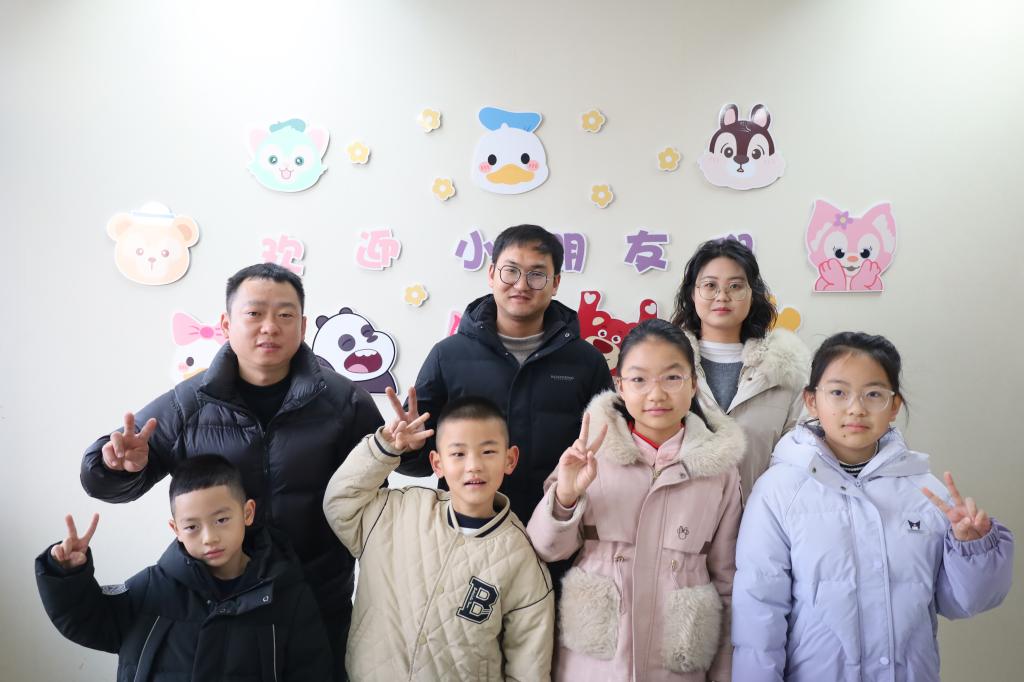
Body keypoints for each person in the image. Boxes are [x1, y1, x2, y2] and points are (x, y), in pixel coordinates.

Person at [78, 263, 383, 679]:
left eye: (285, 315)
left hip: (317, 598)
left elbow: (374, 495)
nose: (269, 327)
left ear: (302, 326)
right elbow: (103, 477)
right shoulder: (188, 404)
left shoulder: (345, 403)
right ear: (226, 323)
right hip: (219, 605)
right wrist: (116, 467)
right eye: (254, 313)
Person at [732, 332, 1015, 681]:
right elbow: (759, 615)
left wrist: (972, 548)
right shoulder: (779, 491)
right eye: (838, 392)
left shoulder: (924, 490)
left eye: (874, 394)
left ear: (894, 406)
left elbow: (963, 602)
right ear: (811, 401)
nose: (856, 408)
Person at [528, 319, 744, 681]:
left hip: (677, 666)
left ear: (693, 384)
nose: (656, 394)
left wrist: (723, 674)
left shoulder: (719, 470)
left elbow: (727, 581)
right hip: (594, 665)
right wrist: (565, 495)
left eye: (672, 378)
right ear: (620, 386)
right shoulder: (589, 455)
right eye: (639, 379)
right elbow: (547, 550)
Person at [324, 390, 555, 681]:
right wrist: (385, 448)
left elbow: (528, 667)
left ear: (510, 459)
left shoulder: (521, 556)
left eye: (488, 452)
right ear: (437, 463)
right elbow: (339, 504)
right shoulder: (397, 511)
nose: (474, 465)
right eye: (458, 453)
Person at [37, 455, 333, 681]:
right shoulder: (151, 589)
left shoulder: (288, 596)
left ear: (247, 513)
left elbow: (312, 672)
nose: (209, 537)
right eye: (192, 526)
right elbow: (88, 621)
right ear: (175, 529)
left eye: (221, 520)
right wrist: (66, 573)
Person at [397, 224, 613, 524]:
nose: (521, 285)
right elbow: (425, 459)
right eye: (510, 271)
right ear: (491, 274)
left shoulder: (586, 362)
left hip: (556, 526)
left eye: (536, 275)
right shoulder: (448, 356)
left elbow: (609, 455)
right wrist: (409, 449)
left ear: (555, 283)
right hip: (467, 529)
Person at [671, 238, 810, 501]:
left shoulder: (786, 373)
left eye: (735, 286)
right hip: (682, 518)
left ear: (752, 293)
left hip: (763, 516)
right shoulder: (666, 367)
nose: (722, 296)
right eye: (710, 285)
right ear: (692, 293)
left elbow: (799, 461)